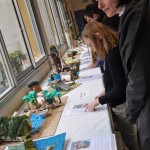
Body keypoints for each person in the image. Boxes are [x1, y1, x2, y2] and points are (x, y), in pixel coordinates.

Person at [98, 0, 150, 149]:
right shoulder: (130, 15)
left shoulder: (137, 17)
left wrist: (131, 113)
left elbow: (139, 76)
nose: (99, 6)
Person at [82, 21, 139, 150]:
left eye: (91, 45)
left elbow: (120, 90)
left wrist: (98, 101)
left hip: (122, 106)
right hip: (122, 104)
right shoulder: (113, 51)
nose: (92, 49)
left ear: (99, 36)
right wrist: (105, 91)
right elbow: (117, 79)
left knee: (132, 142)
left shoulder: (112, 57)